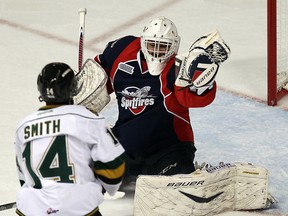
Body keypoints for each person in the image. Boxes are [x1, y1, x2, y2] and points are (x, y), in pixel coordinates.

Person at [93, 16, 230, 177]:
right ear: (143, 41)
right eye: (152, 45)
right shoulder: (121, 51)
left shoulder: (180, 69)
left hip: (168, 150)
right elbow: (96, 80)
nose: (157, 51)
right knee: (81, 163)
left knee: (177, 184)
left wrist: (203, 82)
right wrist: (79, 90)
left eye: (163, 47)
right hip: (125, 146)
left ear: (174, 47)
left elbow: (196, 99)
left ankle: (194, 173)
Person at [14, 62, 125, 216]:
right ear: (73, 88)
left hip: (32, 210)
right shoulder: (89, 119)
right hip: (77, 208)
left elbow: (24, 179)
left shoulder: (23, 126)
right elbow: (114, 170)